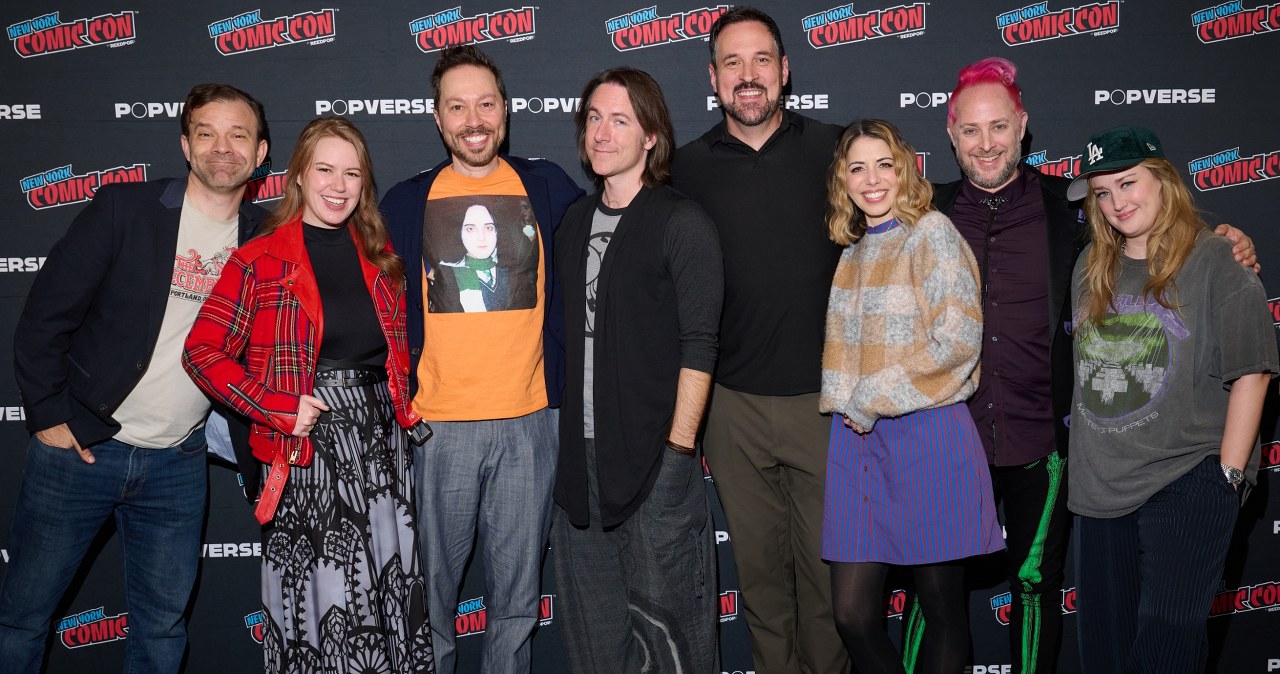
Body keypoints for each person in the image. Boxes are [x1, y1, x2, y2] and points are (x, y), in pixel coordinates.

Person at [916, 56, 1258, 674]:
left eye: (998, 126)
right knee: (931, 596)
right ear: (950, 133)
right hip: (947, 438)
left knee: (1039, 590)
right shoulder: (925, 214)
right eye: (971, 130)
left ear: (1022, 125)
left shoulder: (1070, 208)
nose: (985, 142)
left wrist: (1229, 241)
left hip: (1043, 440)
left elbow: (1162, 238)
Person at [0, 83, 269, 673]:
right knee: (22, 618)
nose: (222, 148)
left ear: (260, 152)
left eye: (238, 135)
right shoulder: (126, 209)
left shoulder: (269, 239)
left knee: (162, 632)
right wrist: (48, 417)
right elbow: (44, 317)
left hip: (178, 464)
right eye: (207, 133)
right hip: (80, 450)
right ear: (185, 144)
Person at [183, 117, 434, 673]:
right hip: (308, 452)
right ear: (297, 175)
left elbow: (395, 354)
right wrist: (275, 407)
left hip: (381, 454)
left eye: (352, 172)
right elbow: (201, 351)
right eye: (324, 169)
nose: (338, 185)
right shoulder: (260, 258)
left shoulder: (380, 255)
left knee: (390, 601)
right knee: (328, 611)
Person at [379, 44, 583, 674]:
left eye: (486, 103)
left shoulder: (547, 185)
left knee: (517, 602)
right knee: (430, 596)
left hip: (531, 424)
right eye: (458, 106)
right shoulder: (406, 202)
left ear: (506, 111)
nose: (474, 119)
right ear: (438, 119)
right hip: (438, 428)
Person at [669, 8, 850, 672]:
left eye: (762, 60)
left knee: (831, 589)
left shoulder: (836, 149)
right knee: (765, 591)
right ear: (713, 78)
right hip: (733, 409)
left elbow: (908, 229)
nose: (749, 77)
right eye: (733, 63)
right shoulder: (683, 171)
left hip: (827, 406)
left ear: (786, 70)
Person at [1066, 126, 1275, 673]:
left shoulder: (1217, 259)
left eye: (1129, 183)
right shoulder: (1090, 267)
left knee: (1165, 655)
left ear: (1163, 181)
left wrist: (1226, 480)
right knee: (1105, 658)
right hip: (1100, 490)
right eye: (1103, 192)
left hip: (1186, 479)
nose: (1117, 202)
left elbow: (1252, 372)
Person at [552, 67, 724, 674]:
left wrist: (679, 452)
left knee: (672, 640)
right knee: (595, 643)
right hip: (582, 470)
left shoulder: (681, 223)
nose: (602, 132)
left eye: (620, 120)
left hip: (655, 465)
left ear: (650, 135)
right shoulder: (573, 222)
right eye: (593, 118)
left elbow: (700, 345)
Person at [819, 119, 1003, 674]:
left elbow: (958, 342)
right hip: (856, 442)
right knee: (852, 613)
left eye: (884, 165)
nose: (872, 179)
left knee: (942, 606)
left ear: (905, 170)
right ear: (842, 181)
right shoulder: (851, 252)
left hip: (928, 433)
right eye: (858, 168)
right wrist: (856, 403)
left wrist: (872, 394)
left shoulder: (933, 234)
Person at [431, 203, 537, 313]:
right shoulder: (448, 274)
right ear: (459, 233)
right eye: (471, 229)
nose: (481, 237)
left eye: (488, 227)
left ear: (497, 231)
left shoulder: (514, 272)